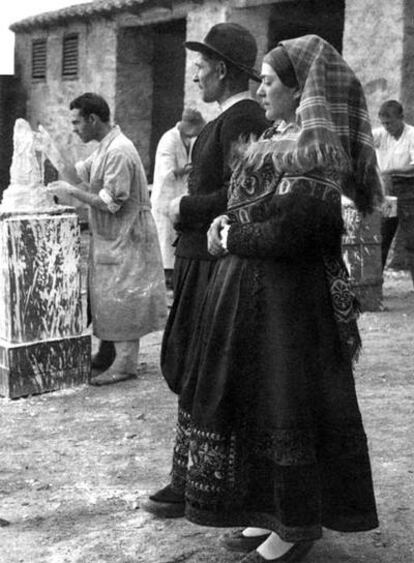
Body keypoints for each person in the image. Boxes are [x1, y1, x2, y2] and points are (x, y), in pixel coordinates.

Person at [155, 35, 382, 563]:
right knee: (259, 408)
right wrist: (224, 221)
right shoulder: (280, 135)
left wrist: (232, 237)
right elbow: (256, 205)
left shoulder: (315, 148)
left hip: (290, 309)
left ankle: (295, 526)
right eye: (260, 79)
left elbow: (300, 231)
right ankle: (269, 513)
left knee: (288, 410)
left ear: (300, 90)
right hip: (259, 302)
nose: (261, 88)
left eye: (271, 81)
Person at [145, 22, 269, 515]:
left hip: (216, 265)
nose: (195, 75)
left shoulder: (244, 118)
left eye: (200, 65)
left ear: (220, 68)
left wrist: (184, 209)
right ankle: (191, 477)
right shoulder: (226, 118)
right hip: (199, 262)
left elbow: (241, 196)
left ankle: (210, 484)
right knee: (188, 367)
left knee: (206, 372)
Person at [46, 93, 167, 386]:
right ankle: (107, 353)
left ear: (93, 119)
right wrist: (49, 153)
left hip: (128, 235)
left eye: (76, 122)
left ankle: (125, 364)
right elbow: (77, 174)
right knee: (107, 294)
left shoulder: (119, 151)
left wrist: (71, 193)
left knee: (123, 294)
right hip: (114, 235)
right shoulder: (106, 147)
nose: (74, 128)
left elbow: (110, 201)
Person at [151, 108, 205, 290]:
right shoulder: (169, 139)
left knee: (173, 238)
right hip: (165, 196)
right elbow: (167, 172)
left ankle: (173, 275)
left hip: (178, 196)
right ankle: (165, 276)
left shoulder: (187, 140)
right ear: (189, 126)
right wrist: (189, 168)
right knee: (165, 238)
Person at [372, 100, 414, 283]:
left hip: (408, 190)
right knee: (382, 236)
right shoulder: (380, 135)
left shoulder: (412, 135)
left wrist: (390, 170)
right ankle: (374, 282)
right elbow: (360, 142)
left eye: (390, 123)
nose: (387, 127)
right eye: (384, 123)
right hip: (387, 192)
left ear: (401, 118)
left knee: (411, 239)